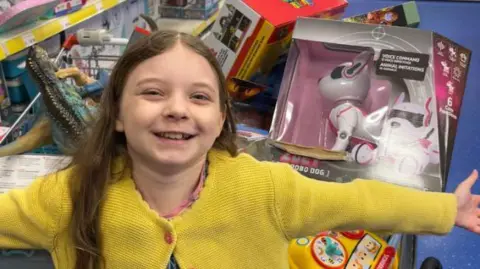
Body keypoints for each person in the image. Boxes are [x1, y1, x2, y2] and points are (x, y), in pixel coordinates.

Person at [0, 30, 479, 269]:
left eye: (200, 96)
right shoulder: (69, 195)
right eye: (151, 93)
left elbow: (358, 200)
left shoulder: (263, 188)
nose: (177, 109)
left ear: (221, 120)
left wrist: (444, 209)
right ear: (118, 115)